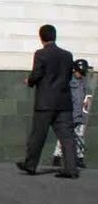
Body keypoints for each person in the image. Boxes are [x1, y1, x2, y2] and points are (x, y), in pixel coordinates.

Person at [17, 24, 78, 178]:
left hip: (45, 101)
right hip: (64, 101)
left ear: (41, 38)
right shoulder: (67, 55)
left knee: (38, 135)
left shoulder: (40, 54)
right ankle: (71, 168)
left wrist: (29, 81)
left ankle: (30, 164)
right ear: (55, 36)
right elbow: (68, 77)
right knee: (67, 136)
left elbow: (37, 74)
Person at [52, 59, 90, 170]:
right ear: (74, 70)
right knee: (64, 136)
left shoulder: (84, 82)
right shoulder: (68, 80)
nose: (80, 74)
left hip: (80, 114)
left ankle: (79, 158)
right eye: (79, 71)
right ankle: (57, 157)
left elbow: (86, 97)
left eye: (82, 72)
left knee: (80, 137)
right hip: (70, 113)